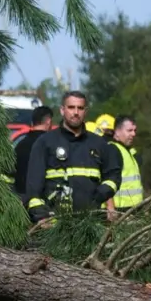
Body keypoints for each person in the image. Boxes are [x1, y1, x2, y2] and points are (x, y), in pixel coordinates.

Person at [23, 91, 121, 225]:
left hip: (91, 224)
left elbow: (113, 176)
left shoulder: (99, 144)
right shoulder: (45, 143)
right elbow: (33, 188)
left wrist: (98, 196)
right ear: (62, 110)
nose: (76, 112)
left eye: (80, 108)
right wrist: (41, 216)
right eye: (71, 107)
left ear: (85, 111)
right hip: (54, 226)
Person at [12, 104, 54, 198]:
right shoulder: (50, 145)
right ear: (48, 121)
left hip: (20, 199)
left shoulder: (20, 144)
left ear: (32, 123)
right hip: (42, 200)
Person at [107, 115, 141, 214]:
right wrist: (111, 208)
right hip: (120, 210)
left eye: (135, 130)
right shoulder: (113, 150)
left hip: (133, 209)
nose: (133, 134)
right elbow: (107, 180)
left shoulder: (127, 150)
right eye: (129, 130)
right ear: (117, 131)